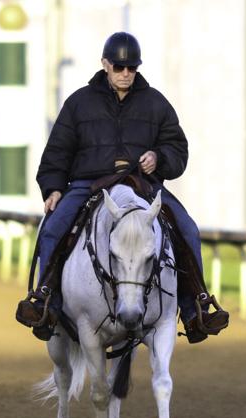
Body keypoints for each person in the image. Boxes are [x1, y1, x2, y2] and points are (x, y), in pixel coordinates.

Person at [27, 32, 229, 343]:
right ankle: (45, 303)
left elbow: (177, 149)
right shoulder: (79, 102)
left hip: (143, 185)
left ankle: (195, 309)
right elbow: (57, 152)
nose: (125, 74)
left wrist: (158, 158)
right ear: (105, 64)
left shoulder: (156, 103)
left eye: (131, 68)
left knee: (188, 228)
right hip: (87, 182)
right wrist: (53, 188)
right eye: (119, 67)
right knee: (53, 228)